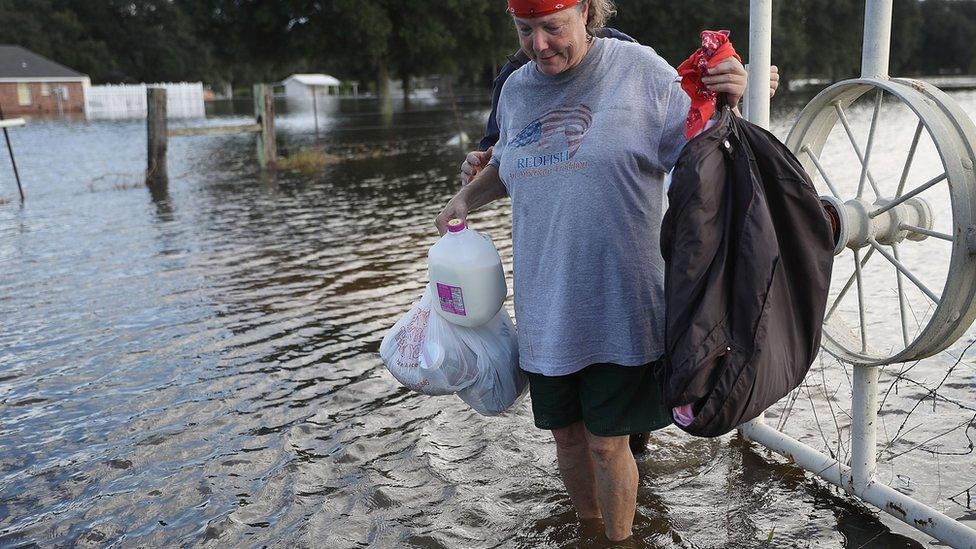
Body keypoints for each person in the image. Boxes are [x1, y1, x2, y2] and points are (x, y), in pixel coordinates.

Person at [435, 0, 750, 543]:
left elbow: (706, 151)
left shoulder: (640, 71)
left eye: (552, 27)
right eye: (525, 30)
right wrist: (466, 197)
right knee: (566, 439)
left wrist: (733, 97)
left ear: (587, 11)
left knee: (609, 443)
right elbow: (509, 164)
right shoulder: (516, 89)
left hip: (621, 302)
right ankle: (588, 531)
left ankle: (620, 541)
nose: (538, 45)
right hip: (545, 303)